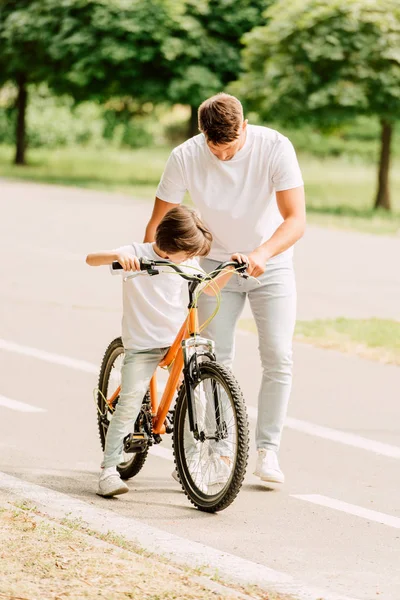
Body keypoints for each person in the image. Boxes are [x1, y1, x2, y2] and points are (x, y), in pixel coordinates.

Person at [144, 93, 306, 485]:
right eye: (214, 149)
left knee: (278, 357)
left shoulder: (275, 147)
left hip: (271, 263)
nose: (222, 157)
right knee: (214, 359)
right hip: (215, 266)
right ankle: (217, 446)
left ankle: (268, 450)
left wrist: (262, 253)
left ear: (245, 127)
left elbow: (295, 219)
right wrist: (152, 267)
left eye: (230, 148)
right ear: (202, 134)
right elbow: (158, 223)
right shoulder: (185, 156)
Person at [86, 205, 246, 497]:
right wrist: (118, 257)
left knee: (194, 397)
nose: (191, 260)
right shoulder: (136, 252)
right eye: (188, 254)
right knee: (131, 400)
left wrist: (231, 269)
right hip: (142, 343)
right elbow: (90, 259)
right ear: (170, 245)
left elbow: (209, 289)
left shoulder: (185, 261)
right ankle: (108, 469)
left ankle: (187, 459)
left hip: (176, 342)